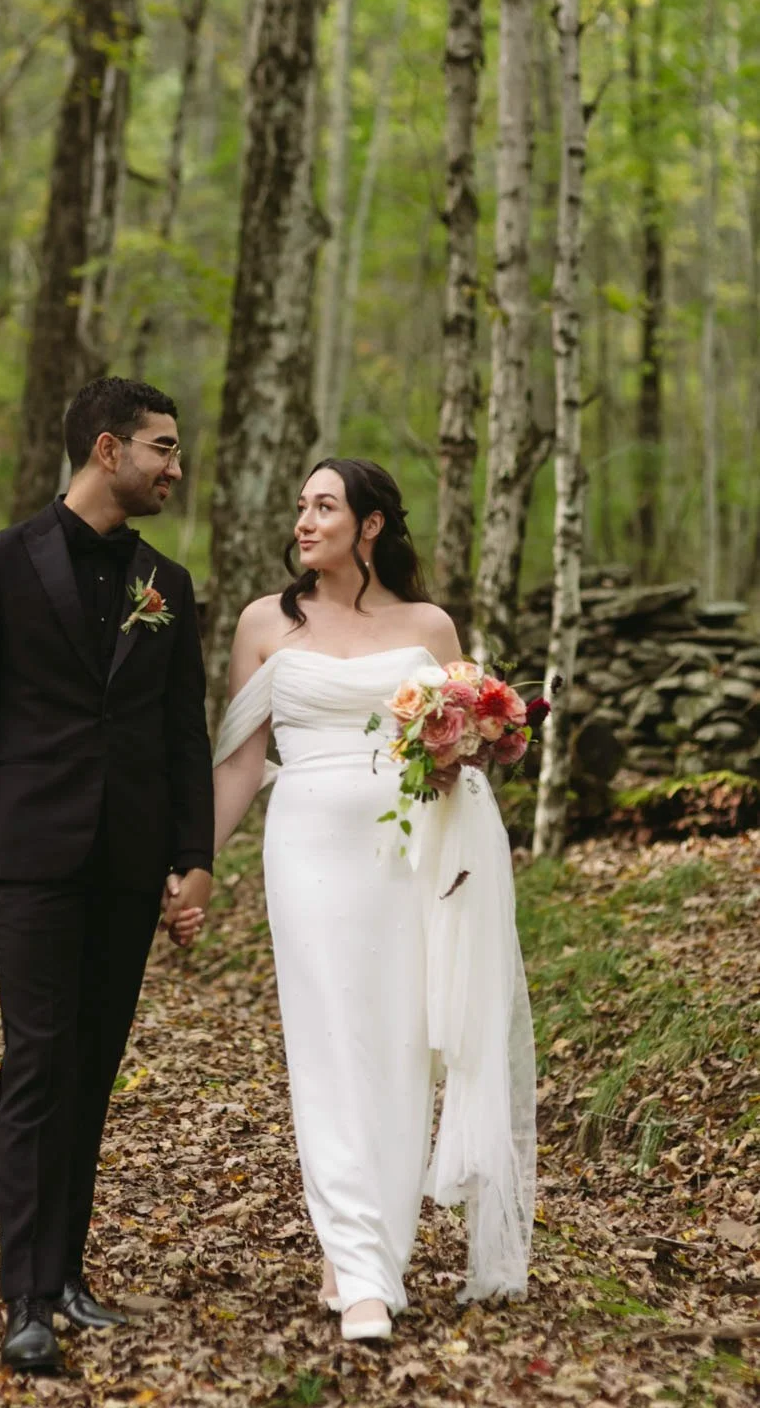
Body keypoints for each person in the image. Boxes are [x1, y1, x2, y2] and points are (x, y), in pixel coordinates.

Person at [0, 377, 213, 1374]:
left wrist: (195, 857)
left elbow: (183, 734)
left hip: (130, 864)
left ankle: (70, 1275)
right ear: (105, 448)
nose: (176, 467)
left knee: (91, 1068)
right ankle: (26, 1298)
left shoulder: (167, 584)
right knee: (38, 1064)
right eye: (162, 449)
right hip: (33, 856)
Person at [212, 458, 535, 1343]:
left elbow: (469, 736)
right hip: (308, 849)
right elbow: (241, 760)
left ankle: (367, 1255)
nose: (304, 521)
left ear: (371, 527)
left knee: (397, 1047)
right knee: (329, 1043)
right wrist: (190, 864)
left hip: (413, 852)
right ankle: (359, 1268)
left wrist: (481, 739)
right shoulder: (263, 624)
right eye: (301, 505)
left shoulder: (428, 624)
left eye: (325, 506)